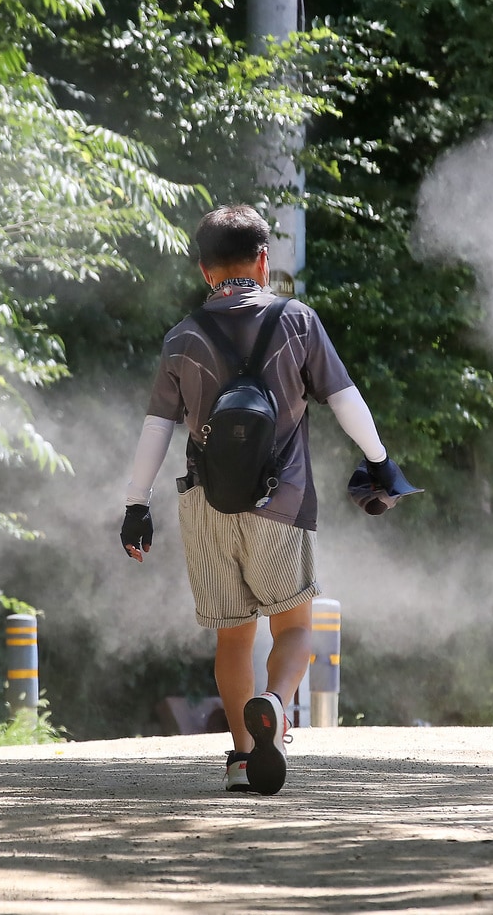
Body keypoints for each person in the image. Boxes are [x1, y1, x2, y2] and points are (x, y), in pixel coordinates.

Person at [118, 204, 415, 795]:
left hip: (206, 505)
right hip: (282, 502)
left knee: (233, 636)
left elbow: (157, 428)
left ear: (205, 271)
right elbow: (344, 399)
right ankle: (275, 705)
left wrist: (136, 505)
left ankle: (242, 758)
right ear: (263, 262)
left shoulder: (182, 339)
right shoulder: (297, 322)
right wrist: (381, 462)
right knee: (294, 627)